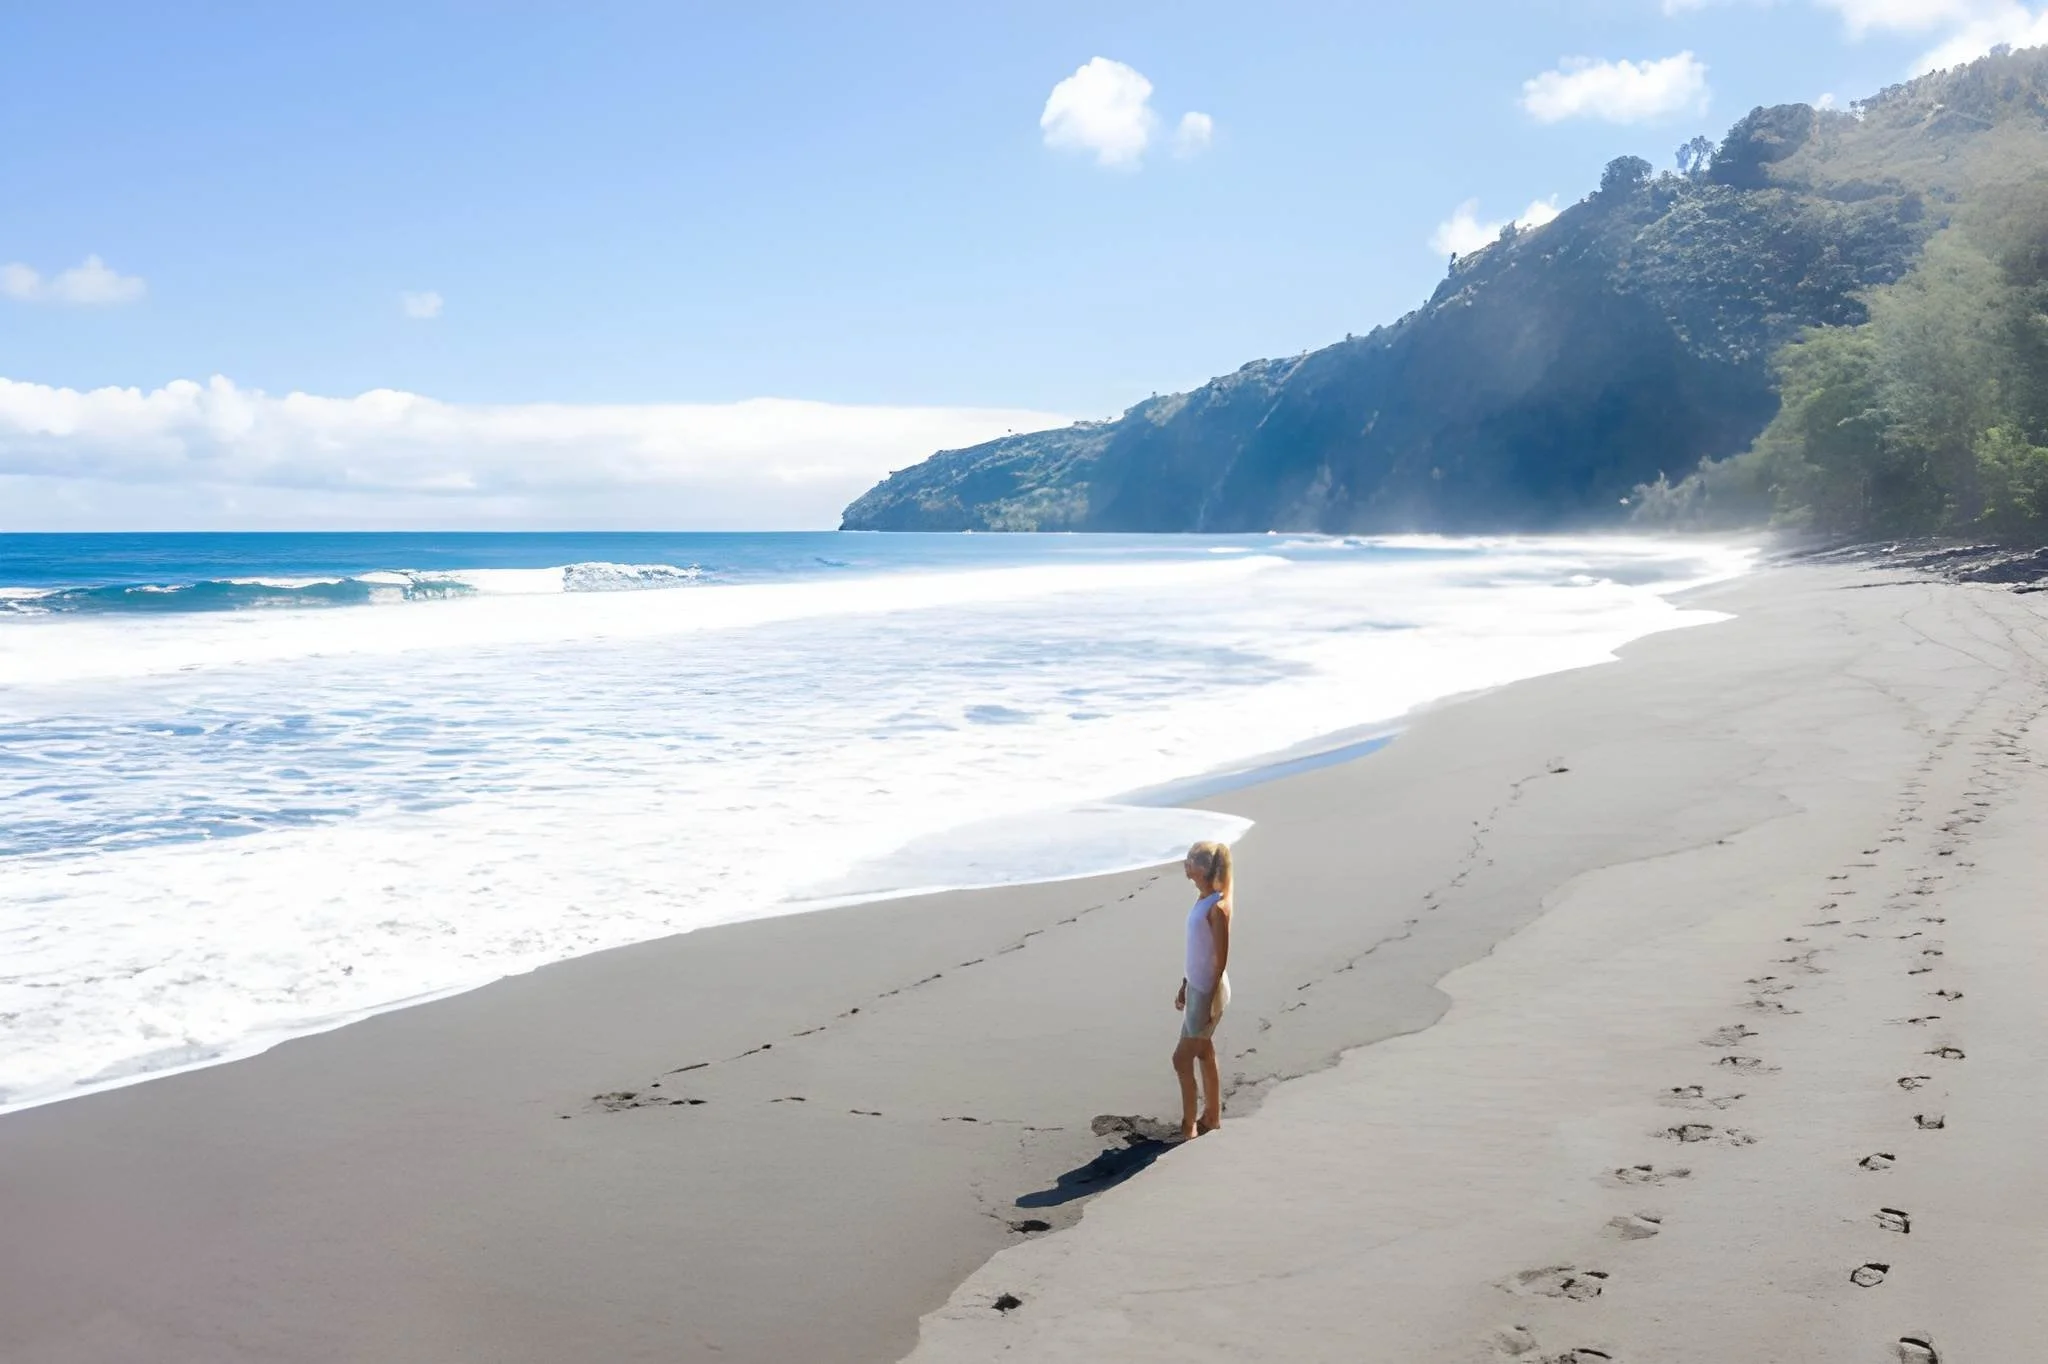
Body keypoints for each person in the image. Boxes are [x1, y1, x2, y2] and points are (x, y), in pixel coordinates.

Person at [1173, 840, 1234, 1140]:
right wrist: (1184, 985)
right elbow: (1197, 951)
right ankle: (1212, 1116)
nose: (1185, 864)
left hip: (1208, 993)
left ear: (1205, 868)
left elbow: (1220, 960)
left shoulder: (1218, 907)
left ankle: (1189, 1128)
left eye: (1191, 860)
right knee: (1204, 1052)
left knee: (1181, 1059)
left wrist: (1208, 1001)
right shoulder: (1202, 899)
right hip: (1196, 988)